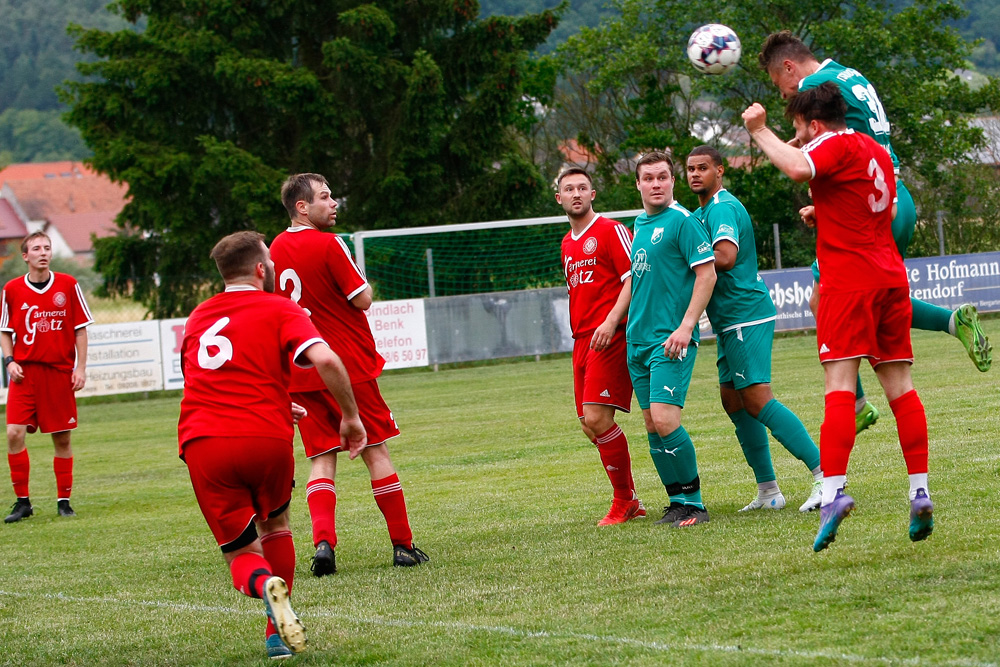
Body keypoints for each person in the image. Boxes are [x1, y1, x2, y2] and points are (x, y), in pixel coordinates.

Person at [759, 30, 992, 434]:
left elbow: (807, 154)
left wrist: (762, 135)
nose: (783, 94)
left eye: (779, 84)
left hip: (873, 206)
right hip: (889, 195)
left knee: (824, 302)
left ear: (789, 67)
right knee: (881, 300)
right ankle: (953, 322)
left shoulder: (815, 85)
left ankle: (858, 403)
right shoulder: (848, 74)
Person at [743, 82, 935, 551]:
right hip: (889, 276)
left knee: (840, 387)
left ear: (813, 124)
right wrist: (824, 212)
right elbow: (881, 211)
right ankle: (919, 490)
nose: (799, 138)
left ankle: (832, 494)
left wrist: (759, 130)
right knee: (901, 389)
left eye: (798, 129)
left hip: (847, 283)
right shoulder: (875, 150)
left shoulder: (828, 142)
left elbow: (794, 166)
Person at [179, 230, 367, 658]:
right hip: (265, 436)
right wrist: (351, 418)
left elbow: (202, 380)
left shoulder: (198, 316)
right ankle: (275, 634)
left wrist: (280, 399)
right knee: (276, 526)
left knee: (242, 555)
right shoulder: (279, 307)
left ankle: (264, 585)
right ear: (261, 269)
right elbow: (326, 359)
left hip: (204, 439)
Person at [270, 173, 427, 573]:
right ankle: (403, 545)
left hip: (302, 370)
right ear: (302, 207)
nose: (334, 202)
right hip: (347, 366)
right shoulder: (329, 243)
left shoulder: (275, 247)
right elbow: (363, 298)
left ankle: (324, 544)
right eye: (325, 197)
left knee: (322, 458)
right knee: (376, 451)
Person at [685, 146, 823, 513]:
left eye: (703, 168)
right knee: (733, 400)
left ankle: (827, 476)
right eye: (690, 169)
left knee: (758, 399)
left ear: (720, 171)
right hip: (729, 320)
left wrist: (685, 259)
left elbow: (726, 257)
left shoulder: (722, 207)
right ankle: (768, 491)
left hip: (745, 314)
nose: (695, 174)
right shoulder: (702, 212)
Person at [627, 151, 717, 528]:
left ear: (672, 181)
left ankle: (695, 503)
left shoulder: (684, 221)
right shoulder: (638, 223)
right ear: (638, 184)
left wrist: (686, 326)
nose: (656, 184)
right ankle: (676, 500)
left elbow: (707, 274)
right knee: (651, 424)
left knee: (666, 419)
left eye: (662, 177)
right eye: (649, 178)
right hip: (638, 342)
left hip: (671, 340)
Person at [555, 167, 645, 525]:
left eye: (582, 187)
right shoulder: (566, 243)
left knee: (597, 418)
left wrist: (611, 321)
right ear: (559, 198)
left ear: (593, 194)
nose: (576, 193)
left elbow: (634, 277)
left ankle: (623, 500)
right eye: (568, 189)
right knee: (588, 425)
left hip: (610, 336)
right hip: (582, 341)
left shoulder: (611, 231)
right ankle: (632, 499)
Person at [1, 231, 92, 523]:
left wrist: (80, 368)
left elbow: (80, 329)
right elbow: (5, 330)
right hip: (24, 374)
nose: (43, 252)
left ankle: (64, 501)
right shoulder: (12, 289)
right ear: (25, 256)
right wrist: (9, 360)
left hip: (58, 373)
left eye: (47, 247)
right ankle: (23, 502)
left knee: (62, 439)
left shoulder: (68, 284)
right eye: (37, 248)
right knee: (14, 432)